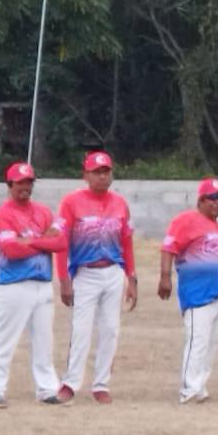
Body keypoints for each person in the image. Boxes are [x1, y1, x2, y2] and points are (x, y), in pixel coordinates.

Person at [0, 161, 67, 408]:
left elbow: (61, 243)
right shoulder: (4, 214)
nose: (25, 187)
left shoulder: (42, 211)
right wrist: (42, 241)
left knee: (44, 340)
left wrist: (29, 241)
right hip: (14, 285)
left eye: (29, 182)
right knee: (3, 340)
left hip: (42, 283)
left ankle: (47, 388)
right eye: (20, 183)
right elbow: (10, 249)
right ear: (10, 185)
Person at [56, 150, 137, 404]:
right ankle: (70, 383)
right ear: (86, 175)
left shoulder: (120, 203)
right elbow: (61, 242)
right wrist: (64, 280)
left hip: (112, 271)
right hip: (85, 272)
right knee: (81, 330)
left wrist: (131, 278)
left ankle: (101, 384)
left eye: (106, 172)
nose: (102, 177)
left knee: (110, 329)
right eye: (97, 172)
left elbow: (126, 242)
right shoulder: (71, 202)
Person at [158, 178, 218, 404]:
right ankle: (188, 389)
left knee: (212, 345)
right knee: (197, 342)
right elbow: (169, 248)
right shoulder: (187, 220)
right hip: (198, 294)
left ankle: (200, 386)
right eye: (214, 198)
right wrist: (165, 277)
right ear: (201, 200)